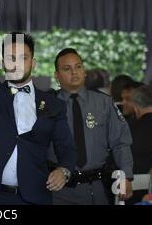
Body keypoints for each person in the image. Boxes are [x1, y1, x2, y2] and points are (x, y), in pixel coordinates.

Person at [0, 32, 76, 205]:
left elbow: (67, 149)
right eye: (11, 58)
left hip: (36, 196)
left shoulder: (54, 105)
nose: (16, 64)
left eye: (23, 58)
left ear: (33, 63)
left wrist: (64, 171)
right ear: (3, 64)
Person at [50, 48, 134, 205]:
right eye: (67, 69)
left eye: (78, 67)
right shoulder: (47, 104)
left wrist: (126, 176)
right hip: (58, 190)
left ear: (85, 71)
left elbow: (120, 142)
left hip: (96, 189)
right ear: (57, 75)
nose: (74, 72)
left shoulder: (104, 103)